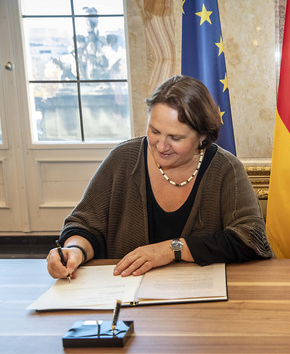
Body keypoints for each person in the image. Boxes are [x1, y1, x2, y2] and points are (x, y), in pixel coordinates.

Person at [47, 75, 273, 279]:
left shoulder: (226, 169)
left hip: (200, 305)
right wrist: (74, 250)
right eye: (154, 131)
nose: (161, 146)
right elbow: (84, 225)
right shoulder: (122, 159)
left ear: (202, 136)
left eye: (175, 137)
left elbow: (250, 240)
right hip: (129, 298)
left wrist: (171, 249)